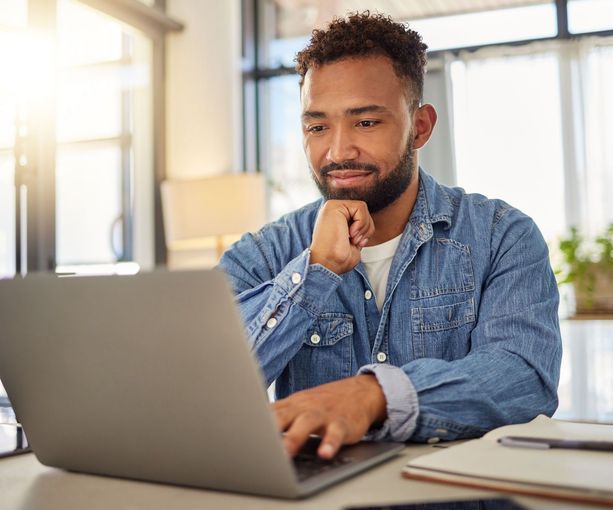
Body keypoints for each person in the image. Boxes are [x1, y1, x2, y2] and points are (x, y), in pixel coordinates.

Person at [218, 12, 562, 460]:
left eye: (366, 123)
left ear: (420, 126)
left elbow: (524, 379)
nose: (338, 151)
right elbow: (206, 390)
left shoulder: (502, 235)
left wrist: (374, 396)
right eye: (317, 126)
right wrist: (313, 273)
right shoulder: (263, 254)